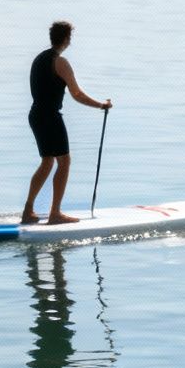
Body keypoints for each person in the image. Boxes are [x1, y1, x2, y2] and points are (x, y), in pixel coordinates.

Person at [22, 20, 112, 225]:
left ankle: (28, 211)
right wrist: (101, 105)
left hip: (35, 115)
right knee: (64, 161)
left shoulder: (39, 58)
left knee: (47, 162)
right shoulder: (60, 62)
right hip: (50, 117)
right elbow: (77, 93)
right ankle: (55, 214)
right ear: (66, 39)